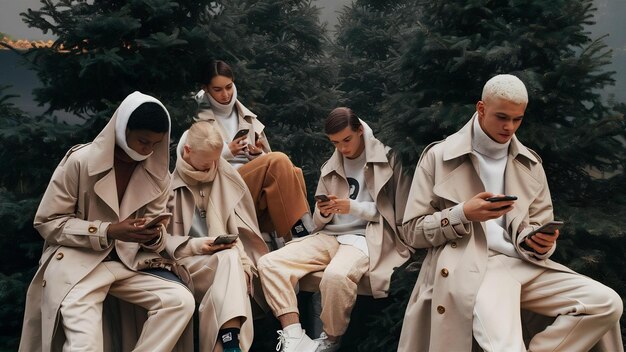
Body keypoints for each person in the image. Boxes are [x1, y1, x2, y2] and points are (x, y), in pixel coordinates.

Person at [398, 74, 624, 352]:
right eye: (502, 117)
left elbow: (540, 223)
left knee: (605, 303)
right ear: (481, 108)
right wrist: (463, 213)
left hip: (524, 264)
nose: (510, 127)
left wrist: (540, 242)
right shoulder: (439, 156)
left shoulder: (530, 163)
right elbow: (411, 231)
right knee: (505, 347)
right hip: (472, 266)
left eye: (518, 119)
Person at [19, 91, 196, 352]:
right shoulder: (80, 161)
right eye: (142, 141)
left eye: (155, 144)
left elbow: (158, 234)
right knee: (85, 345)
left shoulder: (158, 174)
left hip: (128, 264)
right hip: (78, 265)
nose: (147, 150)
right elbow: (48, 222)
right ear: (123, 129)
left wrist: (152, 235)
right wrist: (108, 231)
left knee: (180, 301)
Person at [257, 107, 413, 352]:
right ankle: (294, 335)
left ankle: (330, 340)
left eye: (346, 140)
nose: (342, 148)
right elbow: (318, 221)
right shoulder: (330, 166)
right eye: (335, 143)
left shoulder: (388, 160)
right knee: (269, 263)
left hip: (368, 236)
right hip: (330, 235)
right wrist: (325, 211)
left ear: (360, 131)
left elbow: (395, 215)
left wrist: (352, 207)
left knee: (336, 276)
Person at [165, 121, 269, 352]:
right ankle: (232, 345)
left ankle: (224, 346)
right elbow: (161, 242)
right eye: (205, 164)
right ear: (187, 151)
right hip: (185, 263)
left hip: (222, 259)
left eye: (215, 161)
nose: (211, 167)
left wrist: (244, 264)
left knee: (232, 261)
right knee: (230, 265)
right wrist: (196, 246)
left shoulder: (225, 174)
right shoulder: (166, 184)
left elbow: (238, 230)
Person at [194, 60, 312, 241]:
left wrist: (259, 155)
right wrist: (227, 151)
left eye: (229, 87)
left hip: (252, 189)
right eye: (217, 90)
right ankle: (300, 234)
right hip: (223, 189)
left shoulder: (246, 117)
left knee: (293, 171)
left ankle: (298, 237)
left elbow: (270, 162)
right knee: (279, 160)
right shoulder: (199, 118)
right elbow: (194, 163)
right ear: (206, 89)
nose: (225, 94)